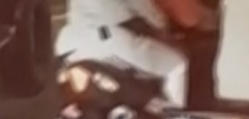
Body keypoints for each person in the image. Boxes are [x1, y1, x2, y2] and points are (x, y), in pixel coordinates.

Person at [55, 0, 211, 107]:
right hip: (107, 38)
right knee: (177, 64)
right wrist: (163, 29)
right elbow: (146, 12)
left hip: (69, 45)